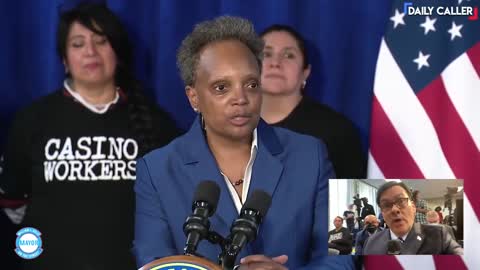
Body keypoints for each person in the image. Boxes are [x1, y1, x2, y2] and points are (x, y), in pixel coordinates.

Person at [132, 16, 354, 269]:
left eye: (250, 84)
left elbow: (343, 258)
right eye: (221, 87)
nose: (241, 98)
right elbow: (152, 261)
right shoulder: (156, 169)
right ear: (193, 97)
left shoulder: (312, 153)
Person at [0, 3, 179, 269]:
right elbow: (13, 201)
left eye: (101, 41)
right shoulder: (32, 120)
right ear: (64, 59)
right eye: (77, 44)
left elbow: (174, 208)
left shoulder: (157, 124)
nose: (90, 52)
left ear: (117, 52)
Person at [259, 24, 366, 178]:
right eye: (266, 54)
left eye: (289, 55)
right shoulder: (224, 126)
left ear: (305, 73)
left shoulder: (336, 132)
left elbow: (351, 200)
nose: (275, 63)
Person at [363, 181, 463, 255]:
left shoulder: (439, 235)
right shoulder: (371, 242)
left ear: (414, 208)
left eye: (401, 201)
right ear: (382, 214)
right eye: (386, 205)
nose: (394, 209)